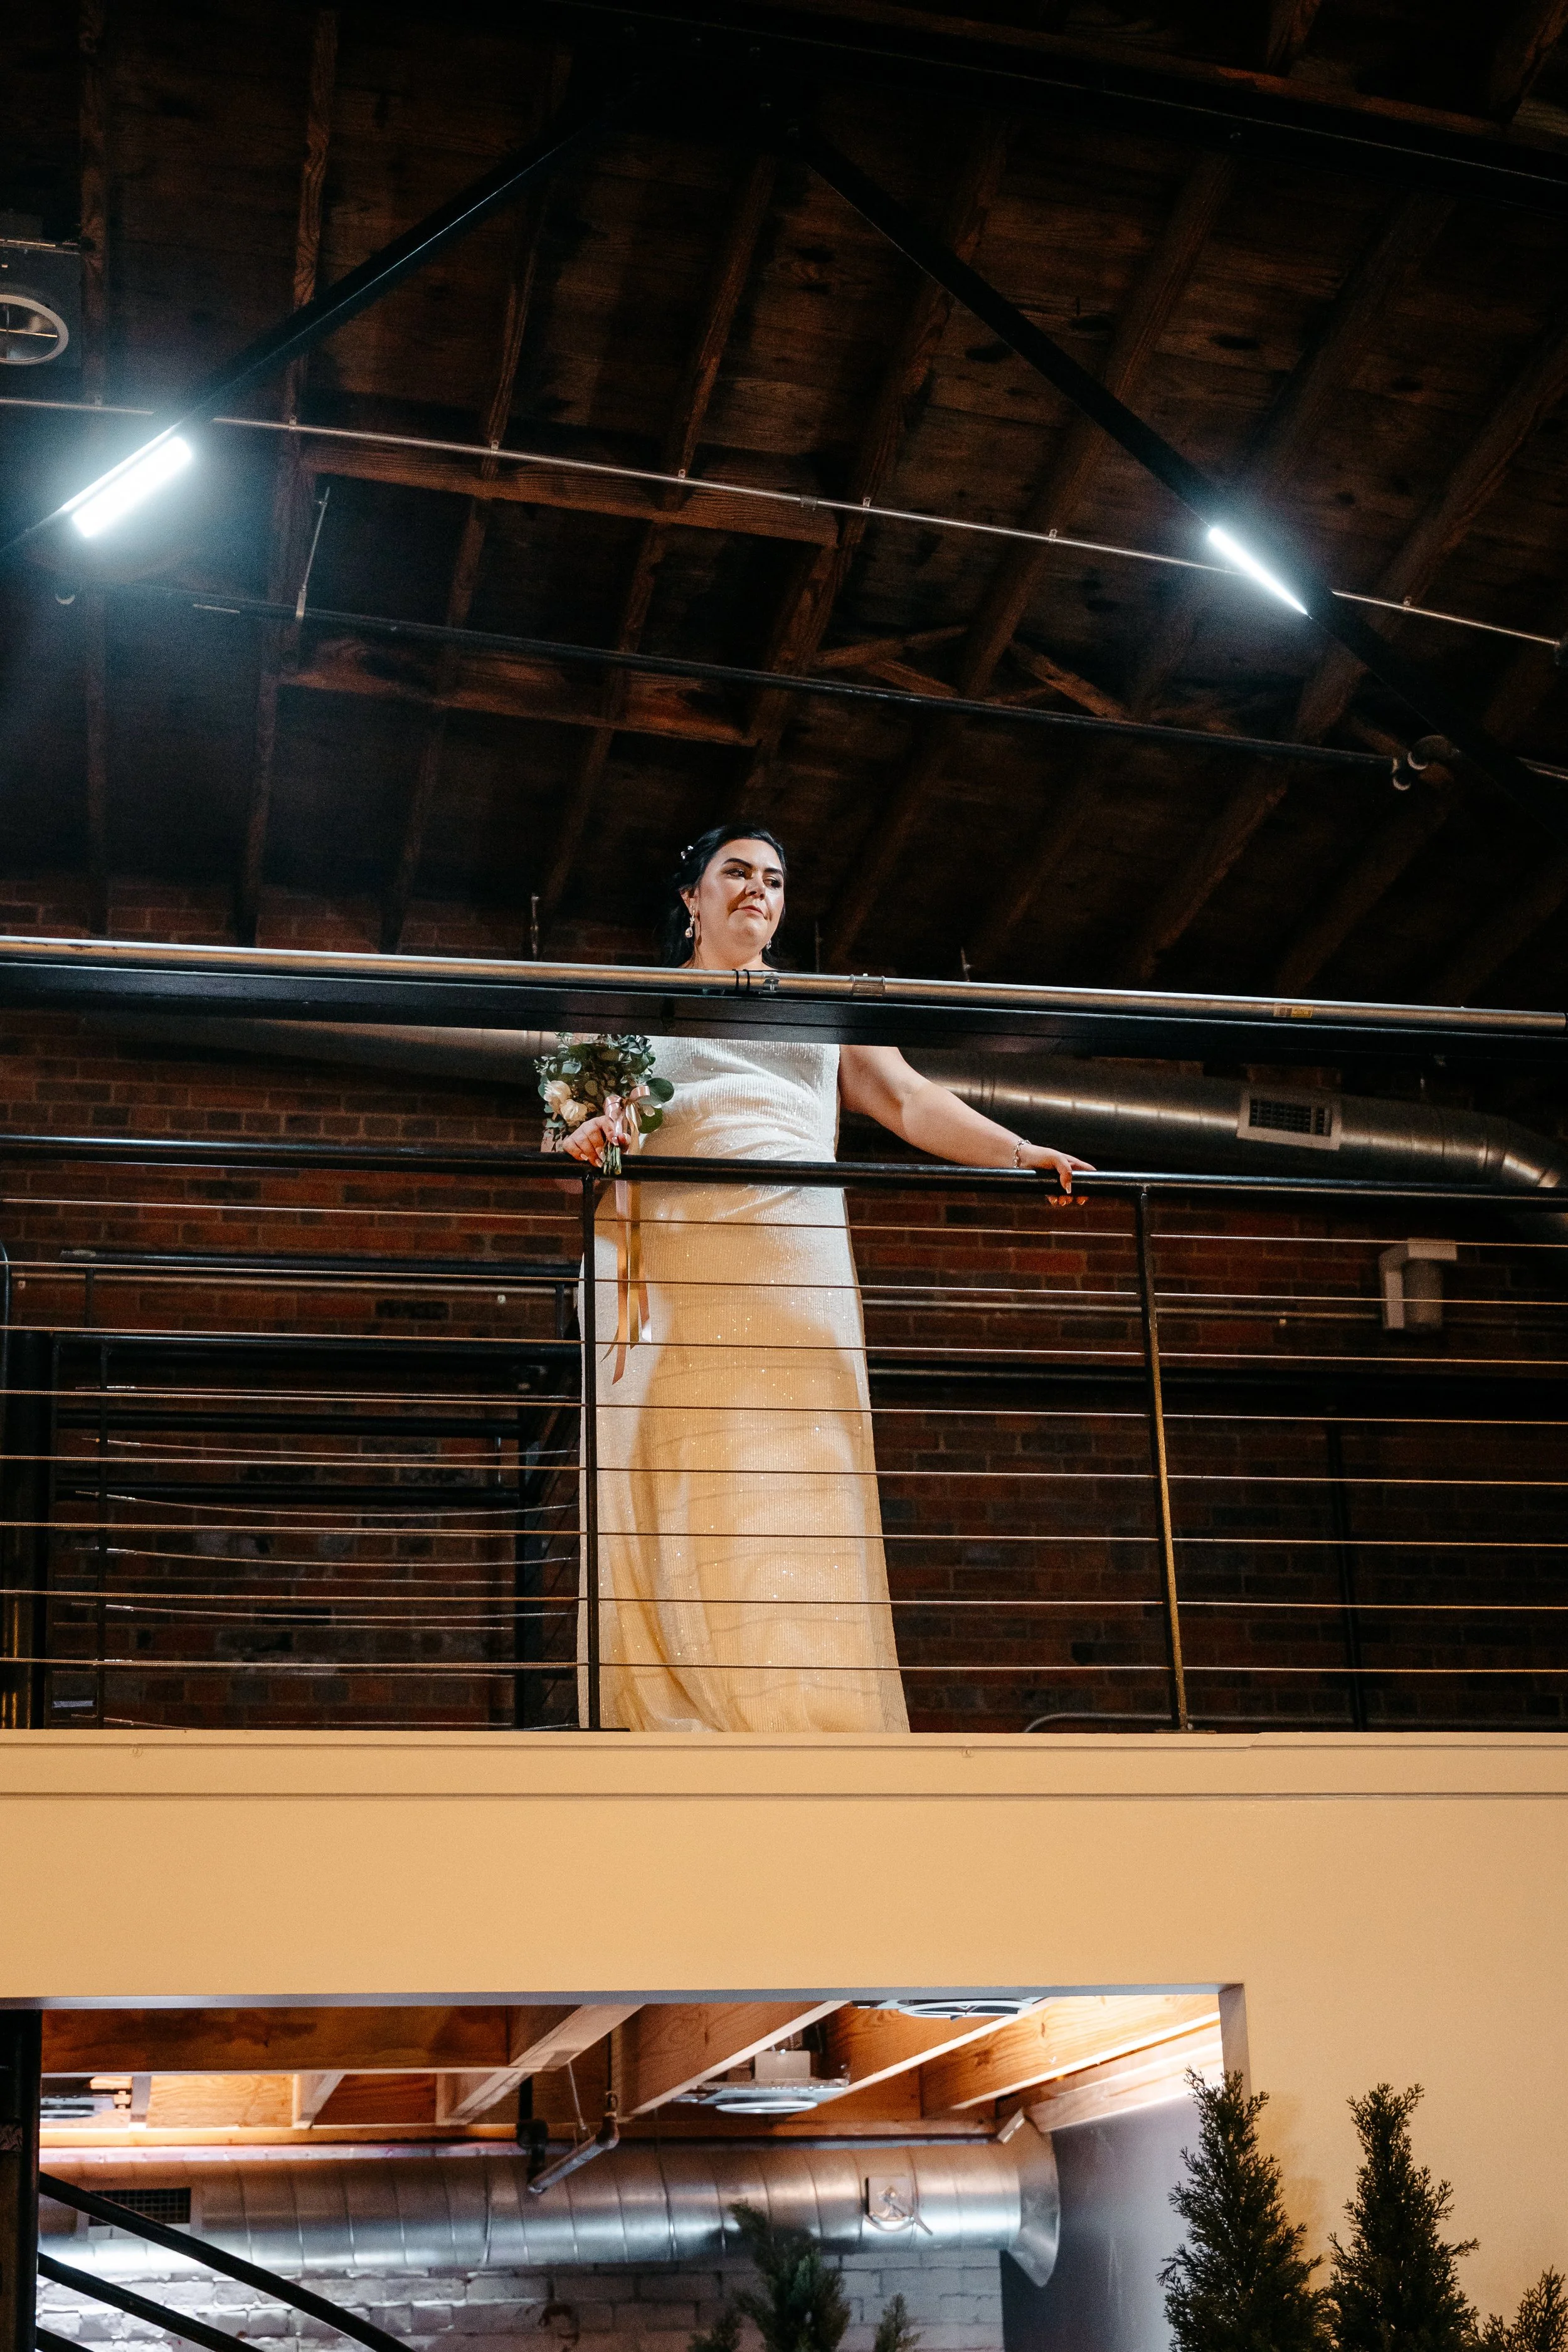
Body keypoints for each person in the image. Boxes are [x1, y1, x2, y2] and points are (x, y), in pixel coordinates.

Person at [561, 827, 1093, 1734]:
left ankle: (816, 1707)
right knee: (701, 1467)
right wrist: (585, 1137)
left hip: (798, 1256)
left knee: (800, 1473)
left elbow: (910, 1100)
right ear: (691, 896)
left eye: (772, 879)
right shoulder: (632, 1010)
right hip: (692, 1264)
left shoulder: (820, 1005)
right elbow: (569, 1129)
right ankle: (691, 1703)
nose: (756, 891)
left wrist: (1017, 1152)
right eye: (734, 873)